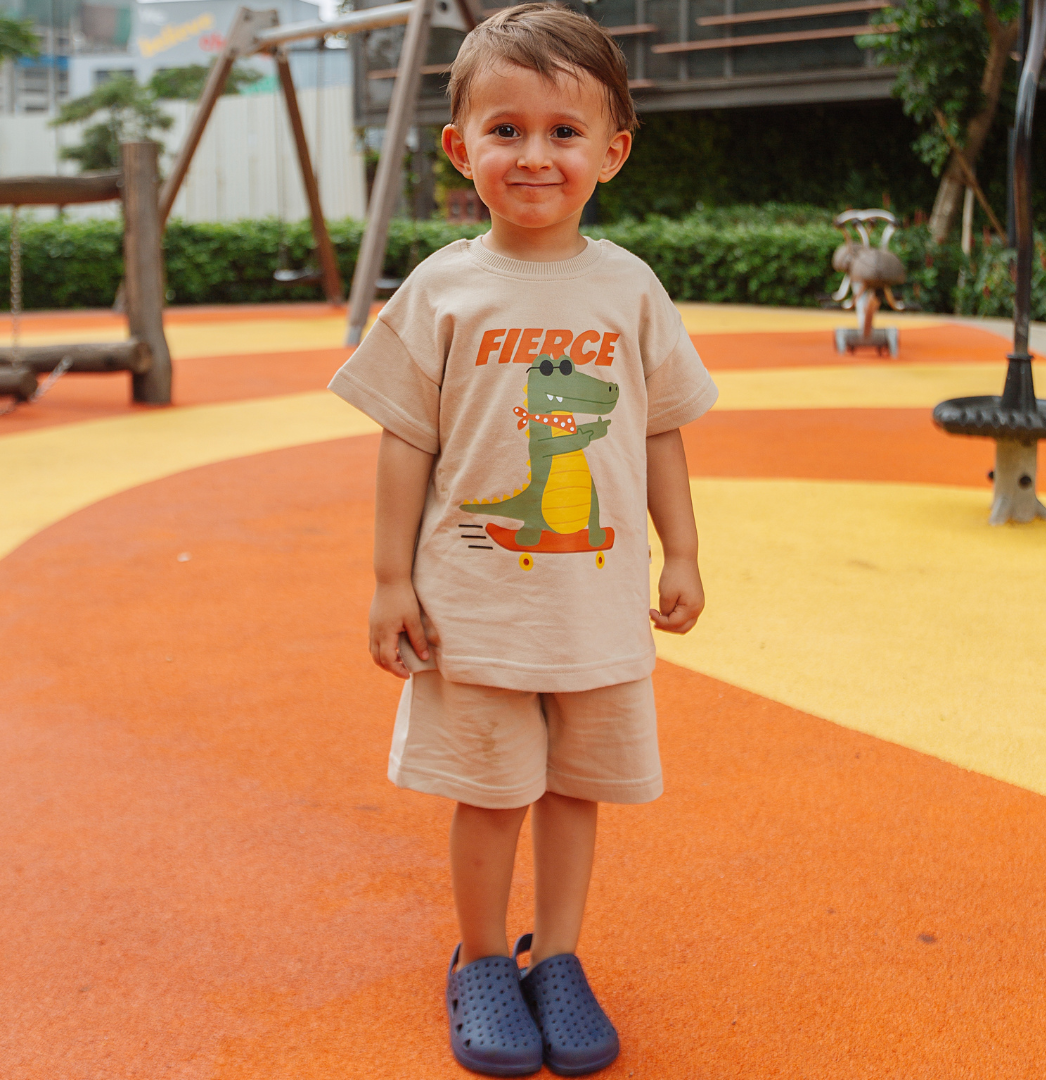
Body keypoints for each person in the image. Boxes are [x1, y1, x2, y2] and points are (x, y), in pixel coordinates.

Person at [329, 5, 717, 1075]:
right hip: (478, 607)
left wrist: (682, 551)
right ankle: (486, 958)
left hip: (595, 603)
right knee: (494, 791)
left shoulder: (630, 287)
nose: (535, 155)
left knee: (574, 788)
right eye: (506, 130)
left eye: (563, 131)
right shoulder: (442, 290)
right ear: (461, 148)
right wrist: (388, 579)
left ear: (612, 152)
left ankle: (561, 956)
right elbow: (405, 441)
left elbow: (660, 428)